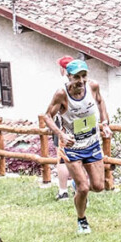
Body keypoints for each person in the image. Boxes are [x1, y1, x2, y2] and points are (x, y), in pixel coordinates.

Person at [46, 59, 112, 234]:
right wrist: (61, 134)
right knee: (84, 188)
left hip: (92, 143)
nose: (81, 81)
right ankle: (82, 220)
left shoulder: (93, 86)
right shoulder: (61, 94)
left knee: (98, 186)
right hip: (73, 147)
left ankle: (78, 187)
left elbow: (100, 101)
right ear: (68, 76)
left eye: (84, 76)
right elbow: (47, 116)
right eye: (76, 77)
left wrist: (105, 123)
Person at [47, 55, 75, 200]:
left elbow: (51, 110)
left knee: (62, 159)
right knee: (78, 157)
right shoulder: (80, 83)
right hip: (79, 124)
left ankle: (63, 191)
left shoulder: (60, 86)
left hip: (63, 124)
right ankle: (78, 189)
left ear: (63, 69)